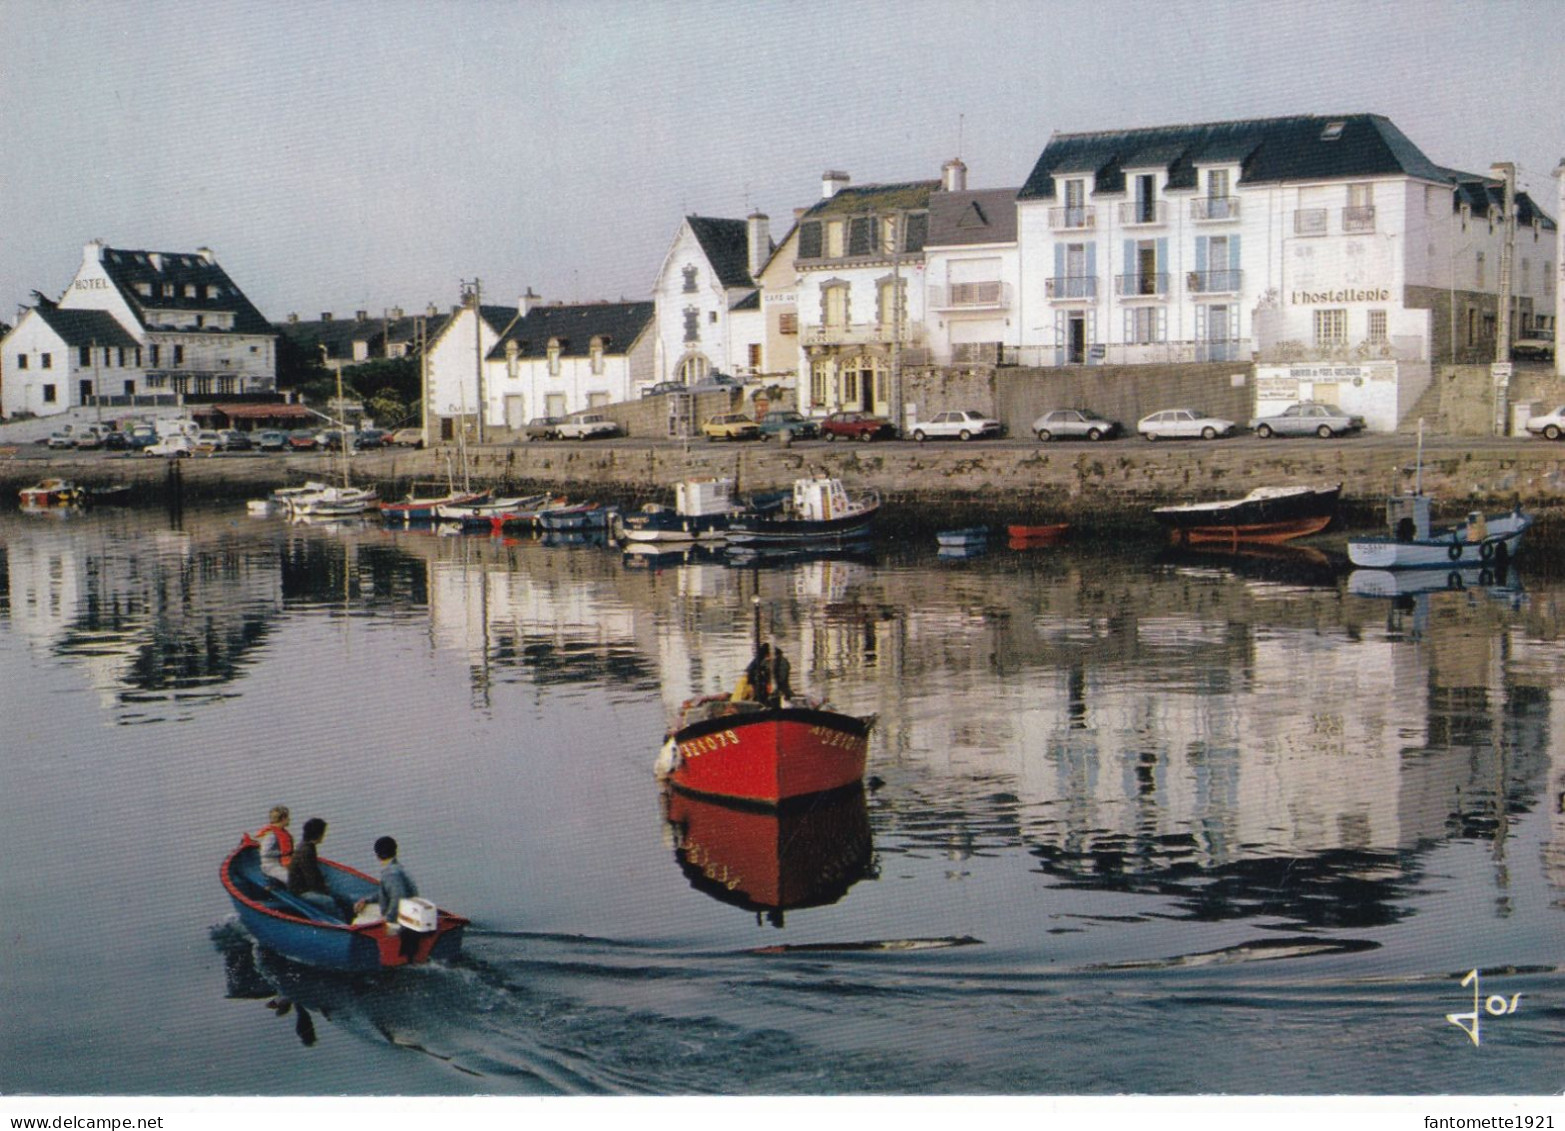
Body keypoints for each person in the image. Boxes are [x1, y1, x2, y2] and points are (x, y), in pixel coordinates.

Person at [287, 817, 352, 920]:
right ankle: (341, 923)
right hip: (301, 890)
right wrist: (325, 890)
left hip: (309, 886)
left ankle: (351, 920)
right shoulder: (306, 851)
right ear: (318, 834)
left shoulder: (308, 846)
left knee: (344, 898)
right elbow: (311, 877)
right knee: (329, 901)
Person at [354, 836, 419, 930]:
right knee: (366, 908)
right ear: (395, 852)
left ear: (377, 855)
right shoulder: (398, 868)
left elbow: (398, 899)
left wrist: (387, 919)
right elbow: (389, 893)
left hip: (400, 922)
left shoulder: (390, 874)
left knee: (357, 922)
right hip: (409, 914)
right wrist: (366, 900)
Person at [254, 805, 293, 886]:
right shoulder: (271, 835)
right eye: (287, 817)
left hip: (283, 862)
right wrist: (282, 853)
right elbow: (264, 853)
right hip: (272, 866)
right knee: (293, 880)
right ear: (283, 819)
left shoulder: (281, 832)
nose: (289, 819)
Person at [768, 642, 793, 707]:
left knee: (785, 693)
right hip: (780, 684)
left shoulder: (781, 661)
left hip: (781, 683)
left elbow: (783, 674)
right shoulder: (778, 661)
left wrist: (780, 682)